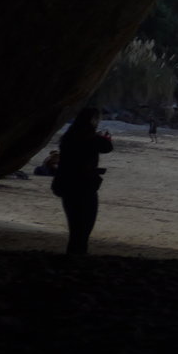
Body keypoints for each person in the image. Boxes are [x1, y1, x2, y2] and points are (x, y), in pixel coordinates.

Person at [53, 107, 113, 255]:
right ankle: (78, 258)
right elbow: (107, 147)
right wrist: (105, 137)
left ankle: (72, 258)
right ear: (93, 120)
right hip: (85, 186)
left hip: (67, 185)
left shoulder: (68, 137)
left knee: (75, 227)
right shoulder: (92, 138)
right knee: (85, 227)